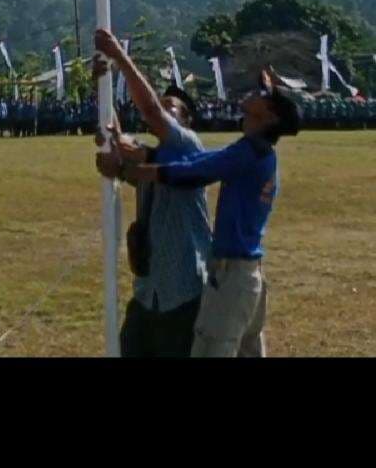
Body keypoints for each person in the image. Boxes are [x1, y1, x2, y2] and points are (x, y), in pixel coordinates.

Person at [100, 69, 300, 358]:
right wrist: (105, 97)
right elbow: (155, 158)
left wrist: (122, 168)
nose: (254, 93)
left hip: (229, 277)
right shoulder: (257, 152)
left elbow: (193, 169)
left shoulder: (245, 152)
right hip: (240, 274)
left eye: (263, 95)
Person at [93, 28, 211, 358]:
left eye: (172, 109)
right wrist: (100, 88)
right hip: (149, 292)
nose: (164, 111)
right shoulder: (151, 157)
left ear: (186, 121)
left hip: (182, 292)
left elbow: (150, 113)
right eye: (163, 105)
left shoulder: (189, 146)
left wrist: (118, 55)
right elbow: (116, 141)